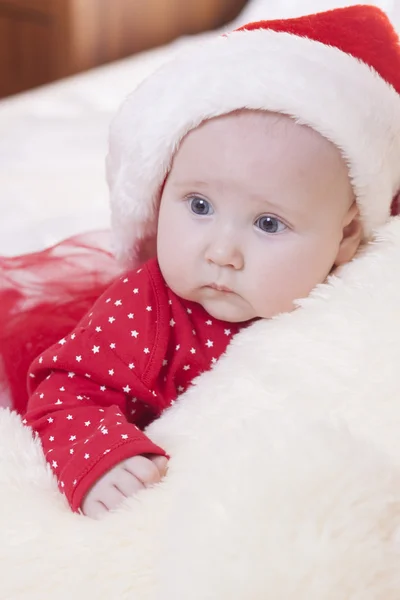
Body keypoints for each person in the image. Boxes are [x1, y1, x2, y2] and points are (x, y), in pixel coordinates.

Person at [15, 5, 400, 518]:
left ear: (346, 236)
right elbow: (66, 391)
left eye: (268, 223)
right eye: (199, 206)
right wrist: (100, 457)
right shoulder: (145, 309)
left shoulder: (368, 285)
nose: (221, 253)